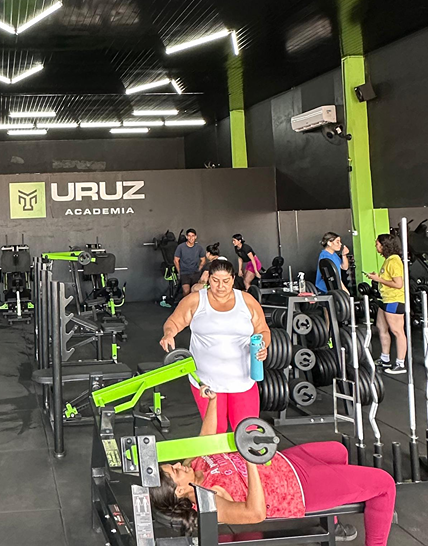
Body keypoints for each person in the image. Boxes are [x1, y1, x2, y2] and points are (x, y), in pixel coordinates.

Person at [149, 397, 395, 545]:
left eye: (173, 465)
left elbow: (206, 436)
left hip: (287, 461)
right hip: (297, 489)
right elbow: (255, 513)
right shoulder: (209, 499)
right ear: (179, 491)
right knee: (384, 484)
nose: (178, 465)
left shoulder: (192, 465)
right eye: (175, 471)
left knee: (338, 451)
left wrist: (212, 400)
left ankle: (334, 521)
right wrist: (250, 461)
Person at [160, 259, 270, 430]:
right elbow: (173, 322)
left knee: (247, 433)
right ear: (208, 278)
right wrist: (168, 334)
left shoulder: (247, 301)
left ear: (233, 279)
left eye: (225, 281)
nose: (220, 286)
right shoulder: (196, 300)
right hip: (206, 381)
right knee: (215, 434)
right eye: (215, 280)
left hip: (243, 379)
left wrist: (263, 345)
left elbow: (263, 331)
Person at [366, 234, 407, 375]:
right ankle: (385, 359)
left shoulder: (394, 261)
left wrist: (378, 279)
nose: (376, 246)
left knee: (397, 331)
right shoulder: (388, 260)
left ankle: (400, 364)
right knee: (381, 328)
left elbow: (398, 284)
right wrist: (377, 277)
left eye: (377, 244)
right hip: (385, 299)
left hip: (394, 300)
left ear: (385, 246)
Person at [174, 229, 206, 298]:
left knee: (195, 292)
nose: (191, 238)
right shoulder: (181, 247)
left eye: (193, 236)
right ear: (186, 237)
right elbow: (176, 260)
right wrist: (179, 271)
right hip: (184, 273)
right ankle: (185, 304)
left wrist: (198, 269)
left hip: (195, 273)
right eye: (189, 236)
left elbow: (203, 260)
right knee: (186, 291)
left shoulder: (199, 248)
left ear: (195, 237)